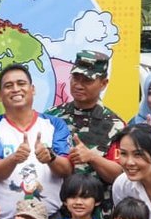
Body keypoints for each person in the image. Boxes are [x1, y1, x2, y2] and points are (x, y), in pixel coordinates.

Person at [0, 64, 74, 219]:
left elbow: (66, 170)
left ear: (32, 89)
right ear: (0, 95)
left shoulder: (55, 124)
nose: (15, 89)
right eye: (8, 86)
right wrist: (13, 159)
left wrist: (51, 158)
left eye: (21, 83)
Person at [51, 50, 124, 192]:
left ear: (103, 83)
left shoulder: (116, 124)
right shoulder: (52, 116)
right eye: (75, 78)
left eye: (87, 80)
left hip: (96, 203)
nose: (78, 85)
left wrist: (92, 157)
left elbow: (120, 175)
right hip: (57, 202)